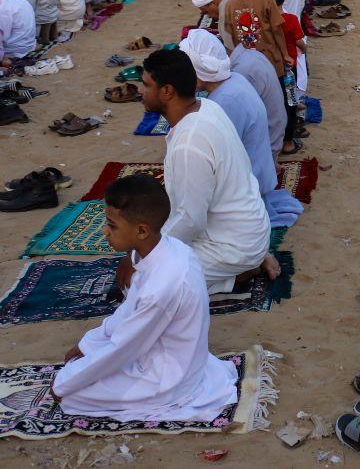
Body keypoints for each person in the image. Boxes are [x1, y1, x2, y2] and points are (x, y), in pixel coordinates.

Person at [51, 175, 238, 421]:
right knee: (80, 367)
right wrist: (88, 344)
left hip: (168, 379)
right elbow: (130, 311)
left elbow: (124, 348)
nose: (105, 232)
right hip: (168, 354)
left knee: (72, 396)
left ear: (141, 230)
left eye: (112, 225)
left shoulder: (162, 286)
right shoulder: (169, 249)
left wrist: (64, 385)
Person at [135, 48, 278, 293]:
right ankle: (244, 264)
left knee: (140, 282)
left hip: (233, 246)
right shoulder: (207, 107)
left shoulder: (190, 142)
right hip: (247, 231)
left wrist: (148, 254)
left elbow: (190, 220)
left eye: (146, 85)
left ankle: (239, 271)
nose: (140, 91)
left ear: (167, 92)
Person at [179, 29, 303, 227]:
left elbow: (219, 157)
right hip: (260, 167)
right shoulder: (234, 80)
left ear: (198, 70)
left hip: (249, 184)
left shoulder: (225, 99)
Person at [0, 0, 36, 65]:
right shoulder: (21, 1)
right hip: (29, 45)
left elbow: (2, 38)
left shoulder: (3, 9)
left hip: (14, 51)